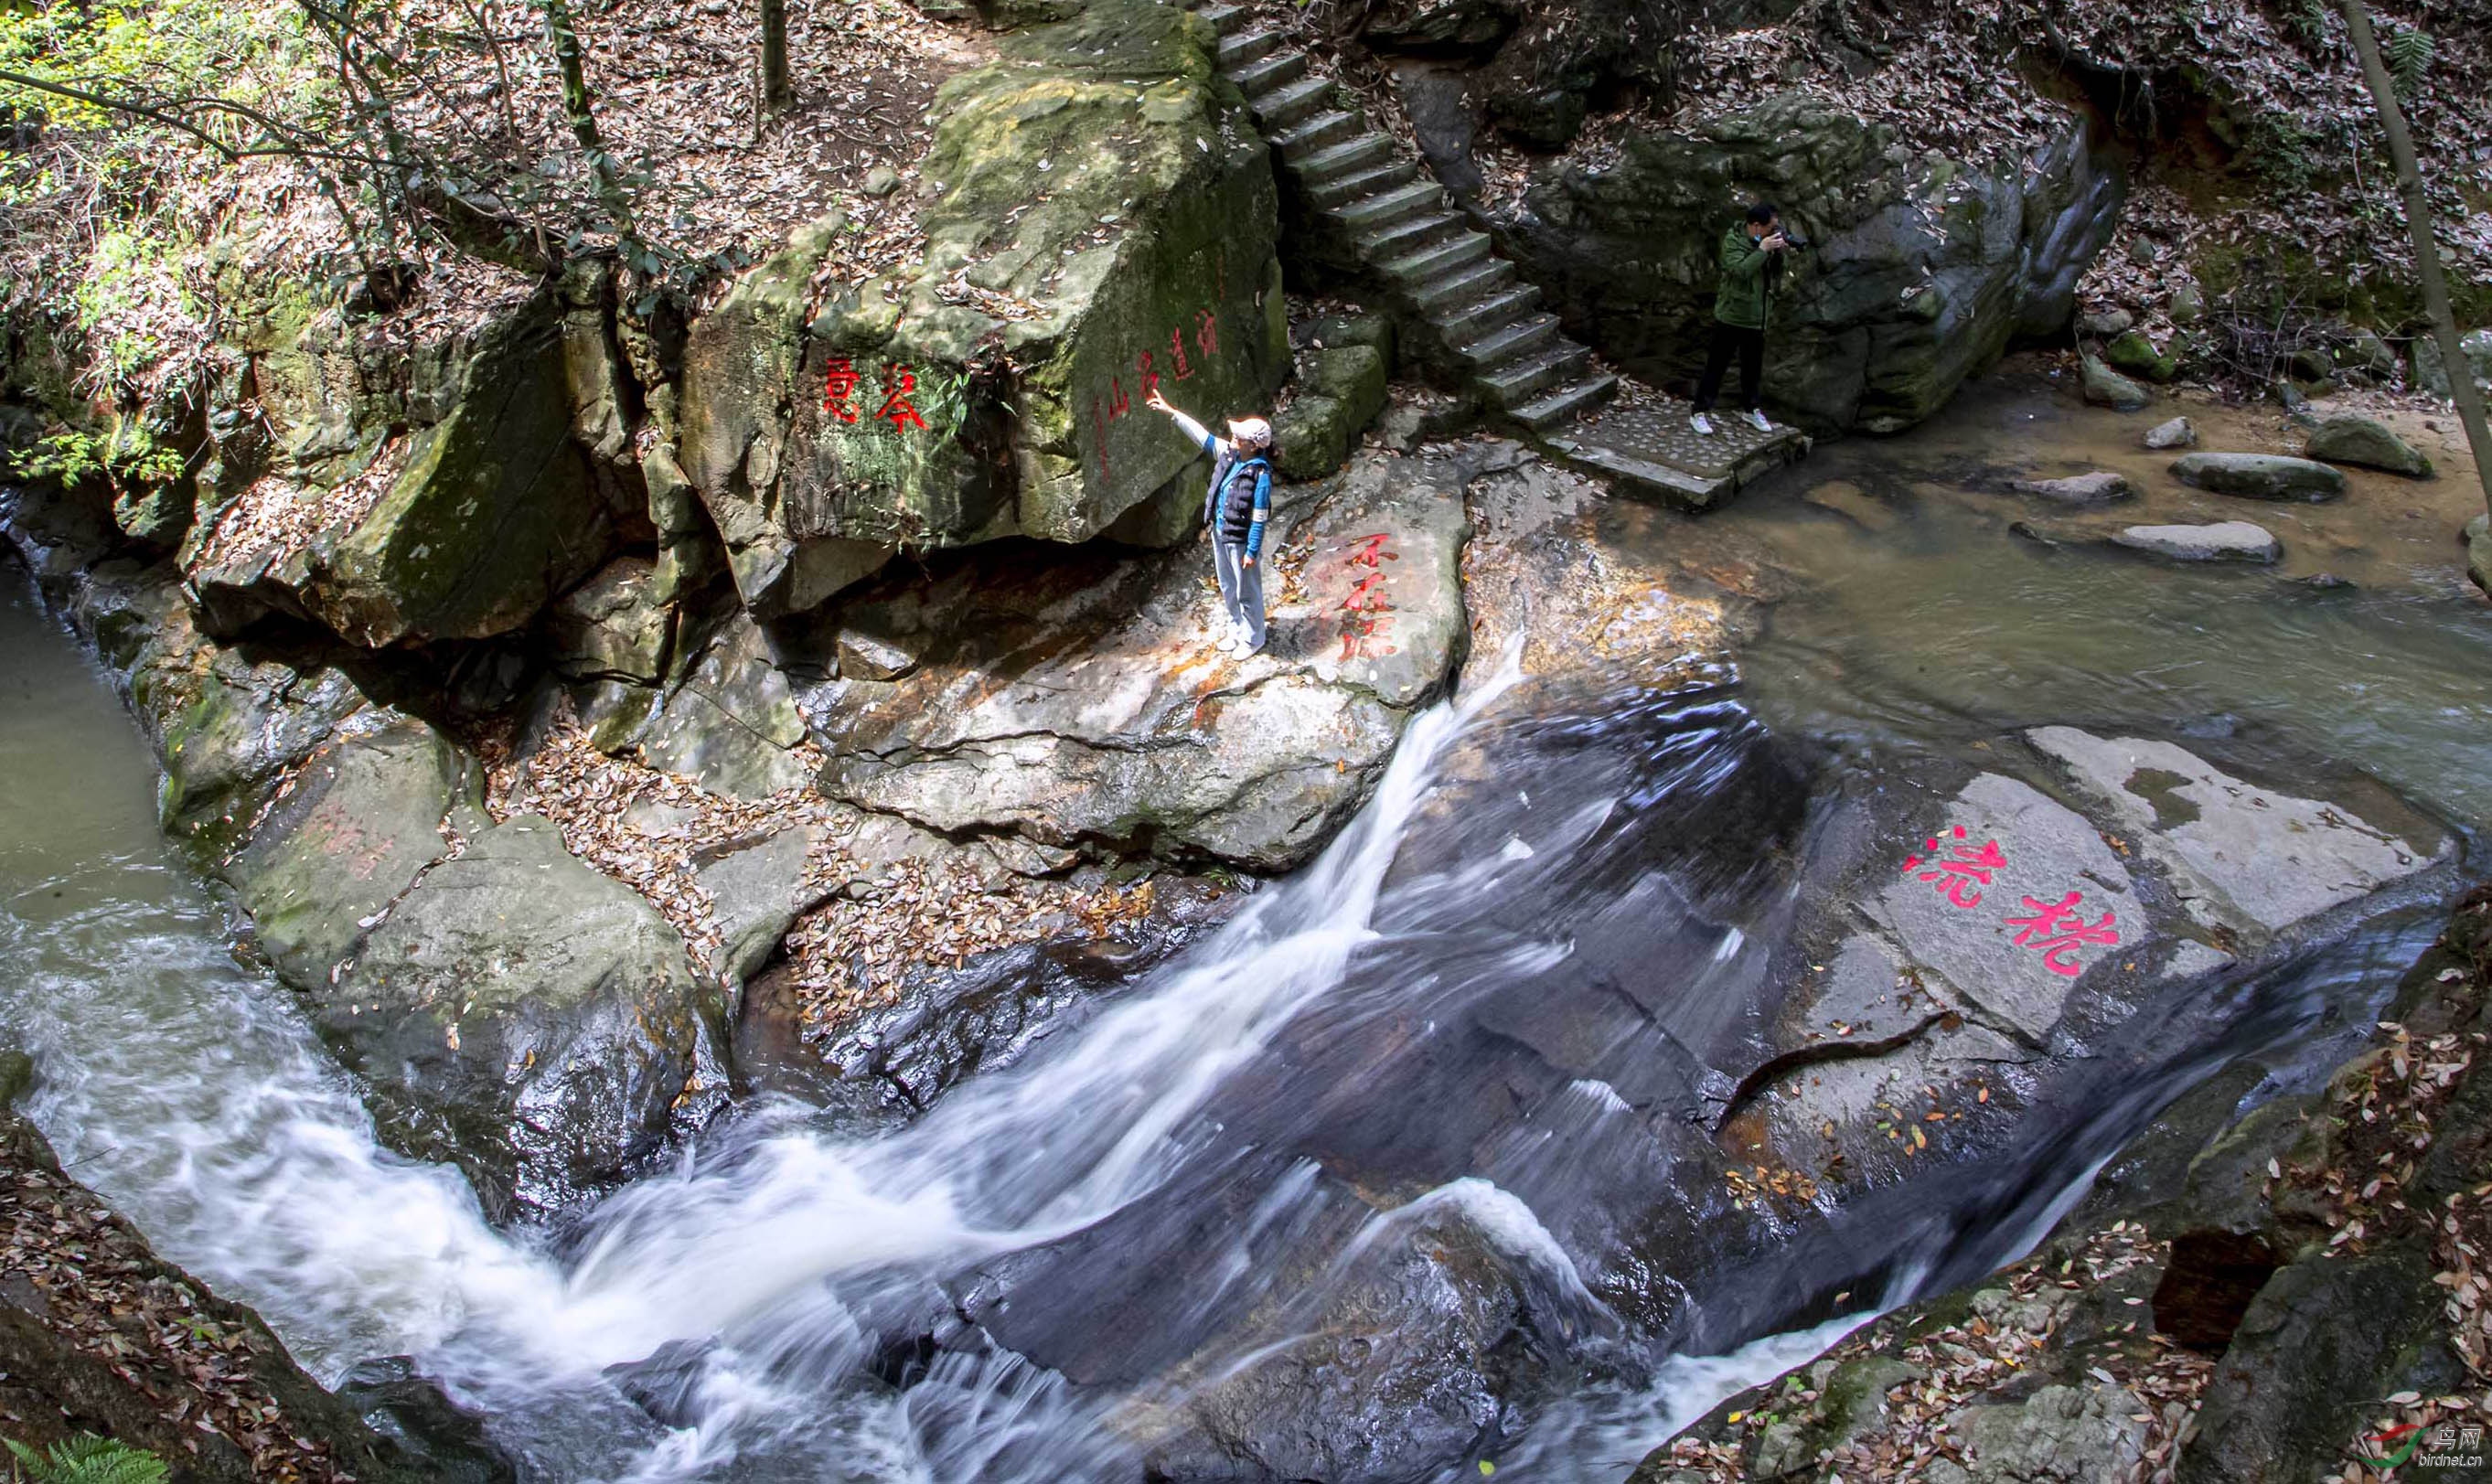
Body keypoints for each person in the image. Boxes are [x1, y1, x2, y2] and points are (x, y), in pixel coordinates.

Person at [1145, 386, 1273, 657]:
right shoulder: (1229, 454)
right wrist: (1173, 413)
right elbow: (1202, 437)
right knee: (1227, 586)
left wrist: (1251, 550)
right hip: (1220, 533)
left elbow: (1259, 518)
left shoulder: (1259, 476)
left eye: (1240, 437)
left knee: (1247, 591)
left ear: (1253, 445)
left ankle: (1253, 638)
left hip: (1240, 542)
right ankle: (1236, 627)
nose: (1233, 437)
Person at [1691, 201, 1787, 437]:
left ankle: (1751, 408)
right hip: (1732, 315)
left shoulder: (1767, 241)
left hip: (1758, 316)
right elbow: (1740, 271)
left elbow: (1775, 274)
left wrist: (1777, 253)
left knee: (1752, 368)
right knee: (1717, 365)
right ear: (1755, 226)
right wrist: (1762, 250)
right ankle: (1699, 411)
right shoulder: (1733, 241)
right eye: (1770, 227)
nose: (1774, 231)